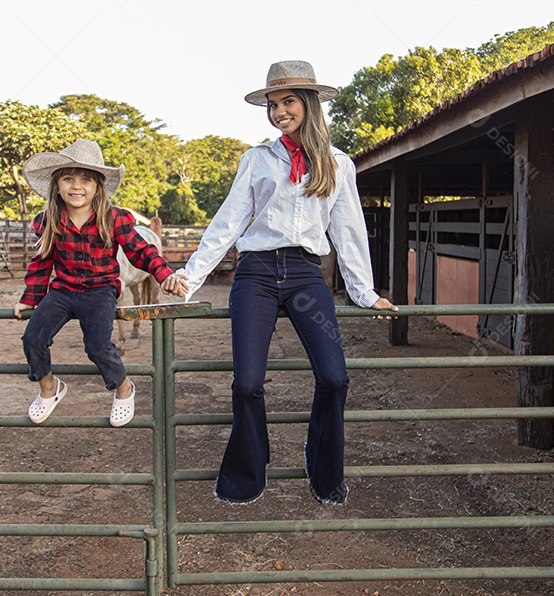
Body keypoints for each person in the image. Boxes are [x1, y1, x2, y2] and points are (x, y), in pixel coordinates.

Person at [161, 60, 398, 506]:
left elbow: (348, 230)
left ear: (309, 104)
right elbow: (228, 221)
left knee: (335, 377)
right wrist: (190, 277)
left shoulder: (338, 165)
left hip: (307, 274)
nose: (278, 111)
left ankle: (323, 466)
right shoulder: (256, 159)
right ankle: (249, 472)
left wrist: (364, 292)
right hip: (257, 273)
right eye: (272, 104)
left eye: (287, 102)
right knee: (247, 383)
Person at [14, 138, 187, 426]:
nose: (76, 186)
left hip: (99, 290)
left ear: (98, 186)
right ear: (57, 185)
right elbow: (42, 261)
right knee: (32, 338)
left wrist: (164, 273)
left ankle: (123, 387)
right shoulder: (49, 220)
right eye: (68, 178)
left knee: (97, 346)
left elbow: (140, 250)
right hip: (63, 290)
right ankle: (49, 387)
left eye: (86, 180)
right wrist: (30, 299)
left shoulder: (113, 218)